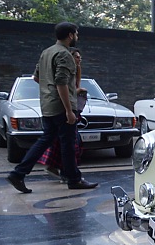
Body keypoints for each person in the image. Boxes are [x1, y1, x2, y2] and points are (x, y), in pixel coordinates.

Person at [6, 22, 97, 193]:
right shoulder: (64, 54)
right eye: (76, 34)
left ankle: (18, 174)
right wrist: (69, 110)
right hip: (62, 107)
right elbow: (61, 82)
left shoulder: (46, 52)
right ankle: (73, 179)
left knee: (45, 140)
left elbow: (36, 77)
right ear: (70, 35)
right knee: (68, 144)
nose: (77, 37)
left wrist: (49, 91)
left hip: (47, 105)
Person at [38, 47, 86, 179]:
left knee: (68, 142)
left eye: (80, 57)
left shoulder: (76, 70)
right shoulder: (63, 64)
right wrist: (70, 107)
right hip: (63, 109)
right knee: (66, 142)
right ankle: (67, 174)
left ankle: (65, 172)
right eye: (76, 56)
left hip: (73, 108)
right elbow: (63, 86)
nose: (79, 59)